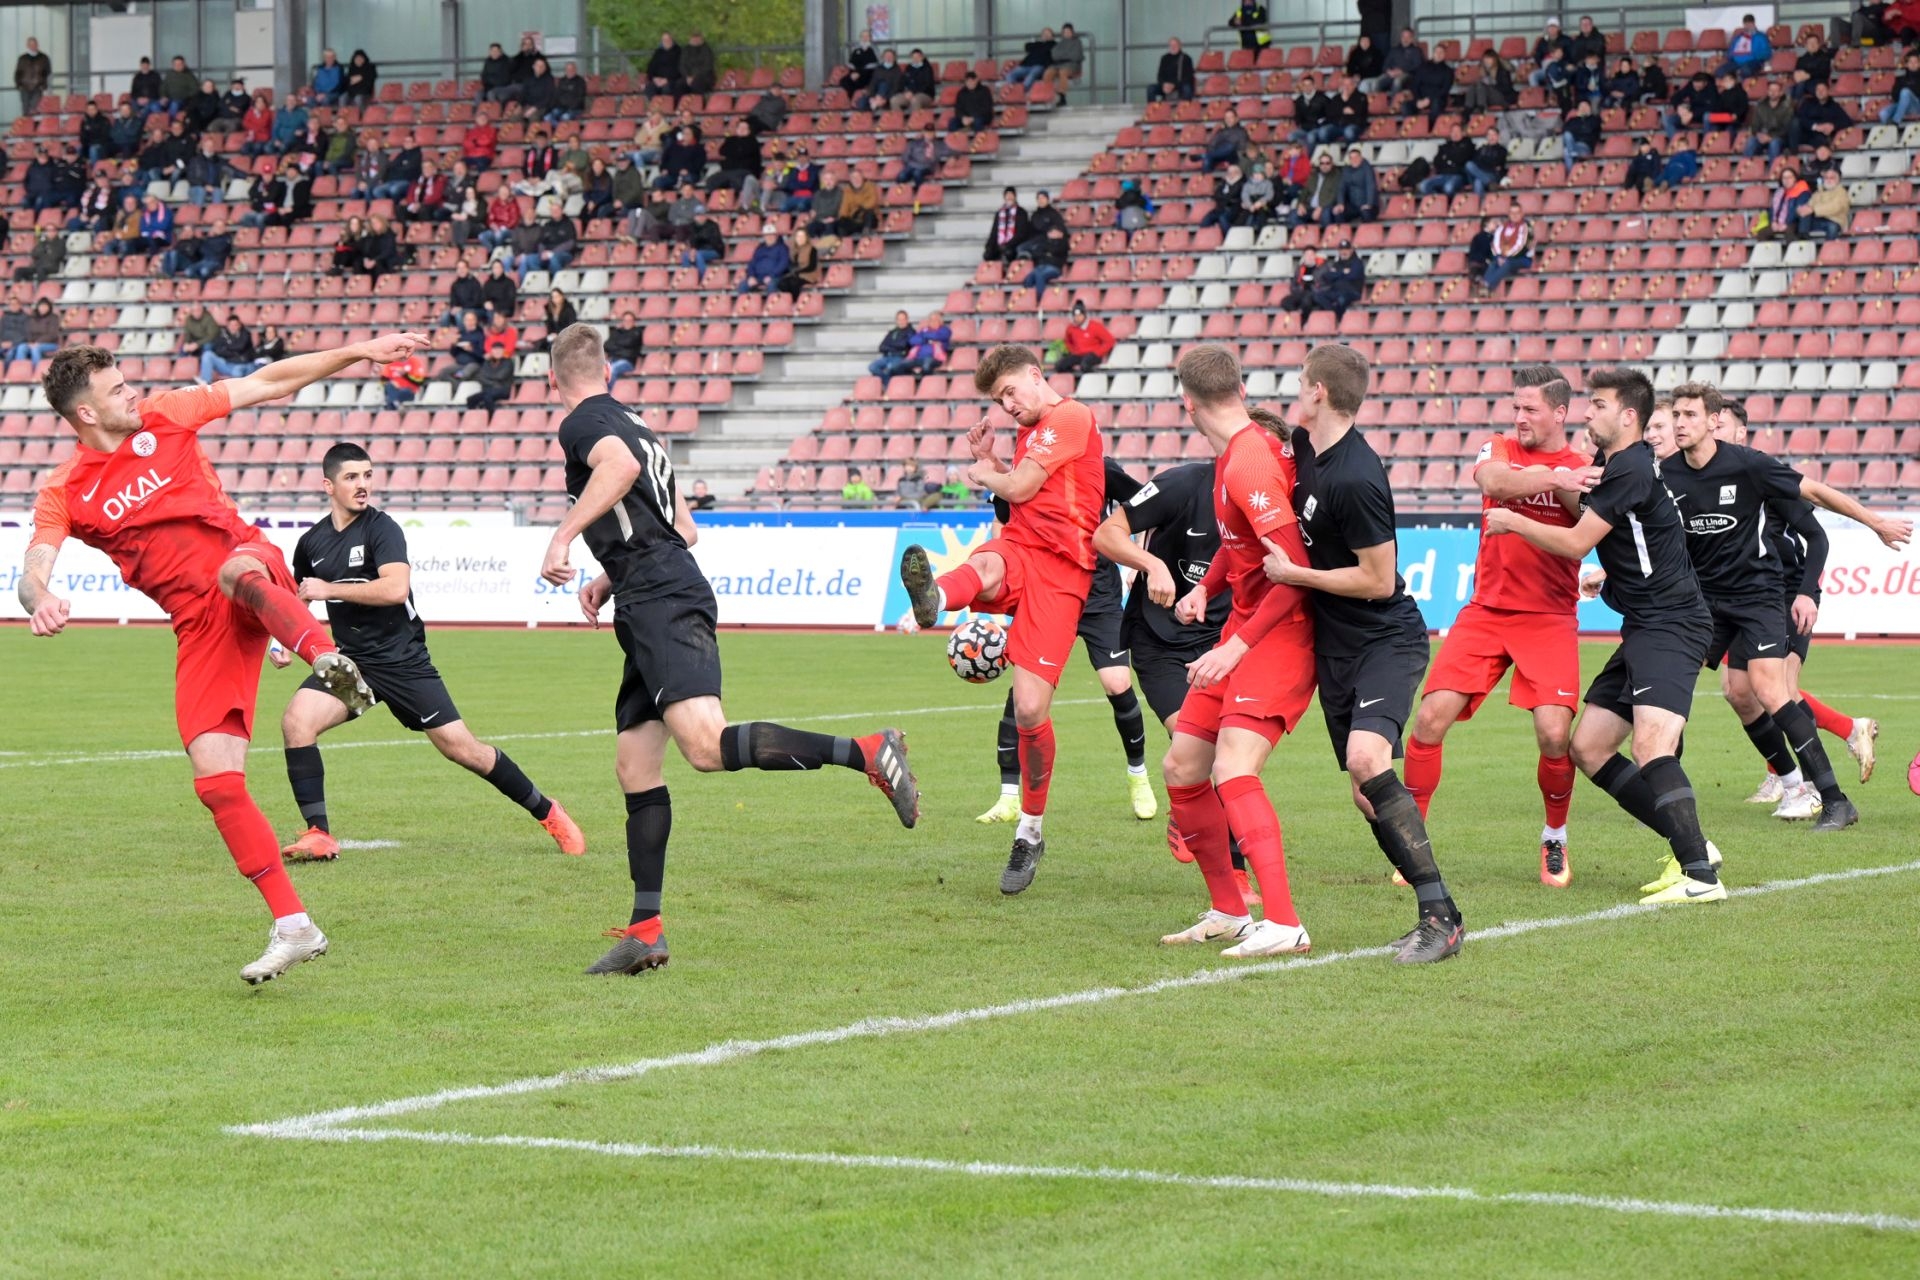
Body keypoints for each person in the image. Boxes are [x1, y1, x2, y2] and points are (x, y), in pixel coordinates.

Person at [19, 334, 429, 983]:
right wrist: (40, 597)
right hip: (199, 625)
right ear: (86, 413)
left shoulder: (168, 413)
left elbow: (271, 381)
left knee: (235, 572)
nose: (133, 392)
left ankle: (330, 661)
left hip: (248, 563)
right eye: (117, 390)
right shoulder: (66, 490)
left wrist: (359, 350)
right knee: (216, 782)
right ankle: (294, 926)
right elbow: (33, 566)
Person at [541, 323, 918, 974]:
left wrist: (562, 537)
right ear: (607, 370)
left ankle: (866, 751)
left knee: (706, 747)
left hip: (662, 598)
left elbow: (619, 471)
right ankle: (646, 930)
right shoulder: (640, 426)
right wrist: (611, 575)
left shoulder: (582, 424)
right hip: (648, 593)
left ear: (554, 381)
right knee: (635, 765)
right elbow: (683, 527)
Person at [1481, 367, 1724, 902]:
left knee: (1652, 746)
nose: (1588, 412)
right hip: (1644, 623)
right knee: (1588, 747)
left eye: (1598, 405)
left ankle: (1701, 878)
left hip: (1671, 622)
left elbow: (1576, 541)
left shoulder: (1631, 467)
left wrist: (1513, 520)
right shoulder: (1609, 463)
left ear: (1628, 416)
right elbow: (1610, 524)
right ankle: (1694, 845)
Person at [276, 442, 583, 861]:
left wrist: (329, 589)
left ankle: (549, 812)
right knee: (296, 722)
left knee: (463, 750)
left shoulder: (382, 529)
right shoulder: (312, 542)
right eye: (351, 477)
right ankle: (319, 834)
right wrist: (283, 642)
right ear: (328, 485)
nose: (363, 485)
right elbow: (298, 599)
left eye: (367, 475)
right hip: (354, 663)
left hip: (403, 661)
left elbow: (394, 588)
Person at [1261, 344, 1463, 961]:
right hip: (1338, 646)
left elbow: (1378, 580)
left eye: (1301, 381)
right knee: (1363, 789)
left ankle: (1440, 920)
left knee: (1365, 759)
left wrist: (1296, 576)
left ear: (1319, 391)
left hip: (1385, 636)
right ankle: (1443, 913)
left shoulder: (1357, 474)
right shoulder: (1303, 445)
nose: (1296, 390)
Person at [1116, 347, 1317, 955]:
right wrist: (1206, 588)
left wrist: (1237, 648)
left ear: (1187, 403)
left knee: (1233, 768)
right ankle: (1230, 910)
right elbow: (1241, 542)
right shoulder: (1234, 452)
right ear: (1239, 390)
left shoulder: (1250, 460)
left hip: (1280, 634)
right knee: (1183, 767)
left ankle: (1284, 924)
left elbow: (1293, 572)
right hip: (1244, 628)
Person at [896, 344, 1106, 894]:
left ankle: (1030, 832)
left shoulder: (1070, 417)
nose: (1007, 405)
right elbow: (1023, 500)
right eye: (998, 399)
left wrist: (983, 473)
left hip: (1064, 571)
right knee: (987, 563)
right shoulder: (1029, 429)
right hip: (1022, 546)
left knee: (1031, 710)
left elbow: (1020, 488)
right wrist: (993, 462)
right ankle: (935, 599)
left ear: (1036, 376)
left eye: (1010, 391)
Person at [1651, 384, 1907, 831]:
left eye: (1690, 415)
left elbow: (1818, 493)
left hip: (1759, 595)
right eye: (1677, 416)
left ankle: (1835, 801)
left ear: (1714, 421)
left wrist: (1875, 522)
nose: (1680, 424)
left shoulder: (1749, 465)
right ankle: (1675, 799)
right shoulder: (1665, 474)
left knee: (1772, 691)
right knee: (1678, 685)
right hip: (1705, 602)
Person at [1403, 367, 1593, 886]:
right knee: (1429, 719)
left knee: (1554, 734)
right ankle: (1411, 841)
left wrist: (1569, 479)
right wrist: (1555, 477)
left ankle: (1555, 837)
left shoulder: (1584, 468)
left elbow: (1585, 521)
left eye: (1531, 409)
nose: (1520, 417)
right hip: (1486, 611)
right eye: (1516, 407)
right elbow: (1494, 482)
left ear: (1560, 413)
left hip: (1550, 617)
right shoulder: (1499, 447)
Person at [1708, 405, 1879, 798]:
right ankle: (1835, 739)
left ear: (1740, 433)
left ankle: (1806, 783)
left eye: (1721, 425)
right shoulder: (1708, 481)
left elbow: (1816, 537)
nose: (1712, 431)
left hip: (1783, 593)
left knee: (1778, 688)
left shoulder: (1762, 474)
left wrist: (1806, 592)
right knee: (1739, 690)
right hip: (1740, 596)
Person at [1789, 80, 1853, 152]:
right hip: (1805, 133)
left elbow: (1847, 121)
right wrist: (1815, 126)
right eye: (1818, 89)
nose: (1820, 92)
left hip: (1820, 136)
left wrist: (1833, 126)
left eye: (1823, 89)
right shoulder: (1808, 103)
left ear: (1828, 91)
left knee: (1822, 143)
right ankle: (1793, 154)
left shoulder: (1834, 106)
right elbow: (1800, 118)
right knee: (1794, 123)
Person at [1480, 208, 1533, 290]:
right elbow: (1496, 245)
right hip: (1507, 257)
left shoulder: (1526, 229)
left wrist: (1505, 258)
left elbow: (1521, 248)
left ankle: (1489, 285)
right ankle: (1484, 284)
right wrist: (1499, 257)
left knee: (1507, 264)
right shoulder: (1504, 229)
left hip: (1523, 259)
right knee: (1494, 263)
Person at [1419, 122, 1476, 197]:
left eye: (1457, 131)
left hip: (1458, 176)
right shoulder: (1444, 146)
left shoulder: (1468, 145)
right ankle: (1438, 200)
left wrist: (1447, 158)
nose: (1455, 134)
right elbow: (1437, 162)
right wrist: (1452, 160)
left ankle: (1448, 201)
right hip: (1443, 174)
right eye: (1453, 131)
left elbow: (1461, 159)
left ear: (1462, 133)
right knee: (1423, 185)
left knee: (1448, 188)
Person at [1312, 239, 1366, 318]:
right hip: (1336, 291)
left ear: (1351, 250)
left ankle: (1337, 316)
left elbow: (1352, 276)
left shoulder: (1357, 263)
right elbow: (1327, 276)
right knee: (1318, 296)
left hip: (1351, 292)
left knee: (1341, 300)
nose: (1343, 252)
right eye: (1341, 250)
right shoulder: (1337, 263)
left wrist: (1337, 274)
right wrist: (1343, 272)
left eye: (1346, 249)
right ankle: (1333, 313)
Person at [1056, 301, 1113, 374]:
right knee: (1060, 365)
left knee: (1085, 365)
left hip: (1093, 355)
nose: (1077, 318)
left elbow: (1110, 341)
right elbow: (1068, 341)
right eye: (1075, 316)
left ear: (1084, 315)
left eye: (1080, 315)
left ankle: (1095, 376)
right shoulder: (1071, 328)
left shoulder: (1095, 326)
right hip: (1079, 355)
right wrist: (1073, 351)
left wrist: (1098, 352)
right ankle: (1072, 378)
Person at [1328, 147, 1379, 225]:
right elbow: (1341, 188)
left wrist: (1369, 204)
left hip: (1368, 205)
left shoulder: (1367, 168)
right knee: (1338, 213)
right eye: (1351, 158)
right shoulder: (1346, 170)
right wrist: (1340, 203)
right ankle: (1342, 232)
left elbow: (1370, 186)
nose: (1354, 160)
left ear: (1361, 158)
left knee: (1366, 213)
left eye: (1356, 157)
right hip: (1353, 206)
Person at [199, 314, 257, 384]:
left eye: (235, 325)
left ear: (239, 325)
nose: (233, 327)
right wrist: (232, 352)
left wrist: (226, 348)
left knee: (238, 372)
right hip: (227, 363)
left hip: (240, 364)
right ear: (227, 326)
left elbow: (240, 347)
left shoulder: (245, 334)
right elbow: (218, 350)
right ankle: (205, 382)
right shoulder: (222, 334)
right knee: (207, 354)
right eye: (231, 325)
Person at [1745, 80, 1793, 162]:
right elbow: (1755, 125)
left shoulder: (1787, 107)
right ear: (1767, 91)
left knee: (1774, 143)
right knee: (1751, 141)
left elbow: (1786, 128)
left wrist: (1770, 136)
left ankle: (1773, 169)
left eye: (1775, 90)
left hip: (1779, 138)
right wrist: (1758, 134)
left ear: (1781, 93)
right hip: (1762, 136)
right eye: (1771, 90)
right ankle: (1745, 167)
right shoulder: (1761, 105)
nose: (1772, 93)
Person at [737, 223, 791, 294]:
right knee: (742, 285)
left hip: (776, 277)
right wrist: (751, 276)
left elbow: (783, 264)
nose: (769, 237)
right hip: (758, 277)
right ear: (764, 236)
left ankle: (772, 301)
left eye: (771, 235)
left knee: (772, 285)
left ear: (776, 235)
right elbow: (752, 263)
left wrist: (771, 276)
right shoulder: (760, 248)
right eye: (767, 235)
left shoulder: (782, 248)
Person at [1716, 13, 1774, 79]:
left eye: (1749, 24)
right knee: (1720, 71)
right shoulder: (1738, 37)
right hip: (1736, 62)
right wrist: (1732, 56)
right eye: (1746, 24)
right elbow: (1730, 51)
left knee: (1745, 70)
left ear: (1754, 23)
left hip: (1753, 61)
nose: (1748, 26)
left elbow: (1767, 53)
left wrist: (1753, 55)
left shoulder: (1761, 37)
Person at [1800, 166, 1850, 239]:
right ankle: (1803, 241)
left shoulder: (1842, 192)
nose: (1828, 180)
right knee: (1802, 218)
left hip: (1834, 220)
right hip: (1818, 220)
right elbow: (1810, 204)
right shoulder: (1819, 192)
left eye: (1832, 178)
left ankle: (1830, 246)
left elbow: (1835, 207)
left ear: (1838, 179)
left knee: (1832, 227)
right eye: (1826, 178)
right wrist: (1803, 209)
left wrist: (1814, 210)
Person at [982, 187, 1029, 264]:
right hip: (1000, 244)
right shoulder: (999, 213)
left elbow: (1021, 234)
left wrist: (1008, 245)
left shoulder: (1022, 213)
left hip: (1014, 245)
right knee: (988, 254)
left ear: (1015, 197)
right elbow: (994, 232)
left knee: (1008, 253)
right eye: (1007, 195)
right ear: (1004, 197)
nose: (1009, 197)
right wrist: (988, 246)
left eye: (1011, 195)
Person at [11, 297, 61, 365]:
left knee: (35, 349)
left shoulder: (54, 318)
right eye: (41, 306)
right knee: (21, 347)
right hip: (32, 343)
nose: (43, 308)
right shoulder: (32, 317)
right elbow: (27, 331)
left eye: (45, 306)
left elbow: (52, 334)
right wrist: (30, 342)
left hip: (50, 343)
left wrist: (38, 342)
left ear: (49, 307)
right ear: (38, 307)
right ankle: (20, 368)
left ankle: (36, 369)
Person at [1204, 107, 1251, 174]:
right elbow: (1211, 145)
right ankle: (1206, 177)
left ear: (1236, 119)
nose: (1228, 120)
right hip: (1220, 156)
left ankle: (1207, 155)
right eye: (1226, 118)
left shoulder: (1241, 132)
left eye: (1231, 117)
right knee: (1207, 159)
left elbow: (1243, 149)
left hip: (1234, 157)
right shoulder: (1221, 131)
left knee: (1230, 146)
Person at [869, 310, 915, 377]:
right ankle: (886, 380)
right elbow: (881, 347)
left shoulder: (911, 332)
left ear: (907, 320)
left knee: (890, 368)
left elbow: (903, 345)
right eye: (899, 319)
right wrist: (894, 347)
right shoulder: (893, 332)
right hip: (887, 357)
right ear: (896, 321)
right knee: (872, 367)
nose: (901, 322)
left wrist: (890, 345)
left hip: (900, 357)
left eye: (903, 319)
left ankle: (887, 381)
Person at [1879, 50, 1920, 124]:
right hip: (1902, 105)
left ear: (1919, 64)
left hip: (1917, 106)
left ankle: (1896, 121)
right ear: (1906, 64)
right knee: (1883, 113)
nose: (1913, 64)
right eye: (1910, 62)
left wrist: (1906, 91)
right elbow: (1894, 95)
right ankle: (1890, 129)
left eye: (1915, 62)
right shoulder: (1900, 79)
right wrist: (1904, 96)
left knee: (1905, 92)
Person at [1150, 38, 1196, 102]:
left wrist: (1174, 85)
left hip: (1180, 85)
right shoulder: (1164, 58)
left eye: (1175, 45)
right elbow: (1160, 75)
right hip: (1166, 85)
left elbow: (1189, 77)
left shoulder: (1186, 58)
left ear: (1180, 46)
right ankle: (1153, 107)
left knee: (1187, 88)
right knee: (1151, 88)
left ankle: (1185, 107)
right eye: (1171, 45)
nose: (1173, 47)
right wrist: (1164, 84)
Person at [1047, 24, 1085, 101]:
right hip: (1059, 65)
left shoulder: (1077, 42)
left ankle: (1062, 96)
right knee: (1048, 72)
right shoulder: (1060, 43)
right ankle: (1049, 94)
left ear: (1072, 32)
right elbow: (1054, 55)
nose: (1066, 33)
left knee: (1063, 72)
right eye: (1065, 32)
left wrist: (1062, 55)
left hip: (1073, 66)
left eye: (1068, 32)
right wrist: (1067, 55)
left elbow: (1076, 56)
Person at [15, 36, 51, 117]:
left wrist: (43, 85)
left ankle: (34, 124)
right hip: (24, 87)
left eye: (34, 44)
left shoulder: (44, 58)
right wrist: (18, 85)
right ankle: (26, 124)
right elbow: (18, 73)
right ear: (27, 45)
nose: (32, 46)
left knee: (35, 109)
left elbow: (47, 71)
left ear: (37, 45)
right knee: (25, 109)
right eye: (30, 44)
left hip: (38, 87)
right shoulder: (22, 58)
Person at [1563, 98, 1602, 171]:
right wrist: (1579, 120)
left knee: (1567, 152)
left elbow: (1589, 130)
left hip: (1585, 147)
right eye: (1581, 106)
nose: (1583, 108)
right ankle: (1572, 167)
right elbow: (1566, 130)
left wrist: (1583, 121)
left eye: (1585, 106)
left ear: (1590, 108)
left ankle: (1572, 168)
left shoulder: (1594, 119)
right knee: (1567, 137)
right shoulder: (1572, 120)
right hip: (1572, 144)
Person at [840, 27, 879, 96]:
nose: (865, 38)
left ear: (870, 38)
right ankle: (851, 98)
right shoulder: (856, 49)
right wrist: (853, 73)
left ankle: (856, 96)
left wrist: (859, 73)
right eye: (863, 36)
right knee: (843, 81)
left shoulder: (874, 49)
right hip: (856, 73)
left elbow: (874, 64)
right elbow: (851, 63)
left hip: (868, 74)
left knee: (857, 82)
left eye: (867, 36)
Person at [604, 312, 643, 381]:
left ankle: (608, 388)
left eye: (630, 320)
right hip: (613, 360)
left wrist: (615, 345)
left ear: (634, 322)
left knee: (612, 369)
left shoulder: (637, 332)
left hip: (627, 362)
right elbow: (607, 345)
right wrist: (621, 347)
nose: (627, 322)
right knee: (600, 370)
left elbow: (629, 342)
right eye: (625, 320)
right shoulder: (617, 332)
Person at [646, 32, 684, 98]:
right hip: (657, 80)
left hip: (672, 80)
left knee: (667, 89)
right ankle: (654, 105)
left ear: (672, 40)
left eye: (668, 39)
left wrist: (667, 80)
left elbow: (679, 70)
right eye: (664, 40)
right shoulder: (658, 52)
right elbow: (650, 68)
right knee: (649, 88)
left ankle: (666, 104)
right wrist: (654, 78)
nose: (666, 42)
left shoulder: (679, 52)